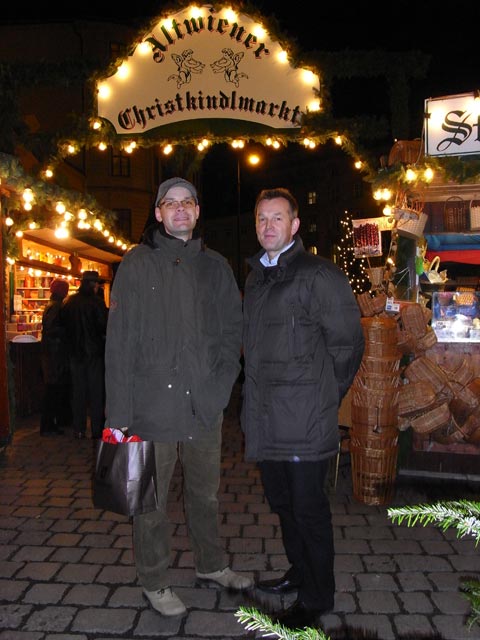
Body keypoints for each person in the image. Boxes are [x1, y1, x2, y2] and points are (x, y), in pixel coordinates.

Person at [104, 177, 252, 617]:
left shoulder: (217, 267)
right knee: (150, 501)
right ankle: (154, 579)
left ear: (198, 211)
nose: (180, 210)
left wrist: (222, 385)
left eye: (188, 202)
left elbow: (232, 333)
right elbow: (119, 343)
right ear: (158, 214)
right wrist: (119, 414)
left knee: (205, 495)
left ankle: (210, 565)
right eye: (171, 204)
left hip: (203, 405)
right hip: (151, 408)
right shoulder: (135, 265)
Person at [241, 187, 365, 630]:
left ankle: (317, 598)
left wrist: (323, 396)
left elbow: (348, 344)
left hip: (305, 421)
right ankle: (300, 572)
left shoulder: (319, 275)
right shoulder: (257, 277)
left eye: (277, 218)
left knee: (309, 510)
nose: (268, 226)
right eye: (261, 219)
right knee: (284, 504)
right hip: (267, 418)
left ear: (295, 225)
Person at [61, 270, 108, 440]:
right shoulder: (96, 303)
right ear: (93, 284)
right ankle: (96, 429)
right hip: (94, 353)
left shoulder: (70, 302)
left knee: (78, 393)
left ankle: (79, 428)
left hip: (75, 354)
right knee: (96, 393)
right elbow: (104, 326)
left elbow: (62, 327)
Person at [40, 278, 71, 436]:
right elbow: (53, 330)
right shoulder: (57, 307)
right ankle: (48, 425)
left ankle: (49, 424)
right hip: (55, 355)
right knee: (53, 391)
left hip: (51, 354)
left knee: (51, 390)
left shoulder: (51, 306)